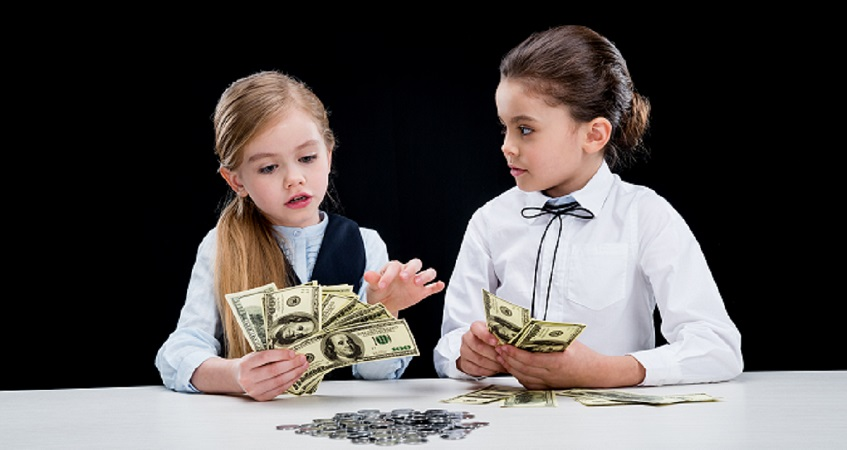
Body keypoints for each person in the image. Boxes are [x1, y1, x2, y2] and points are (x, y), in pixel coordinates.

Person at [434, 25, 743, 389]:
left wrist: (604, 371)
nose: (507, 146)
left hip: (617, 431)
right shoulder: (490, 221)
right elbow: (449, 345)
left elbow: (717, 347)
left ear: (594, 135)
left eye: (525, 129)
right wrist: (465, 355)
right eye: (505, 128)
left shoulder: (645, 215)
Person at [156, 70, 445, 402]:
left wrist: (385, 311)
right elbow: (178, 352)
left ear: (329, 154)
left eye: (307, 158)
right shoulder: (221, 246)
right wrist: (237, 375)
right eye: (268, 168)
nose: (294, 178)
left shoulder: (366, 244)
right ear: (236, 181)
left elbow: (375, 375)